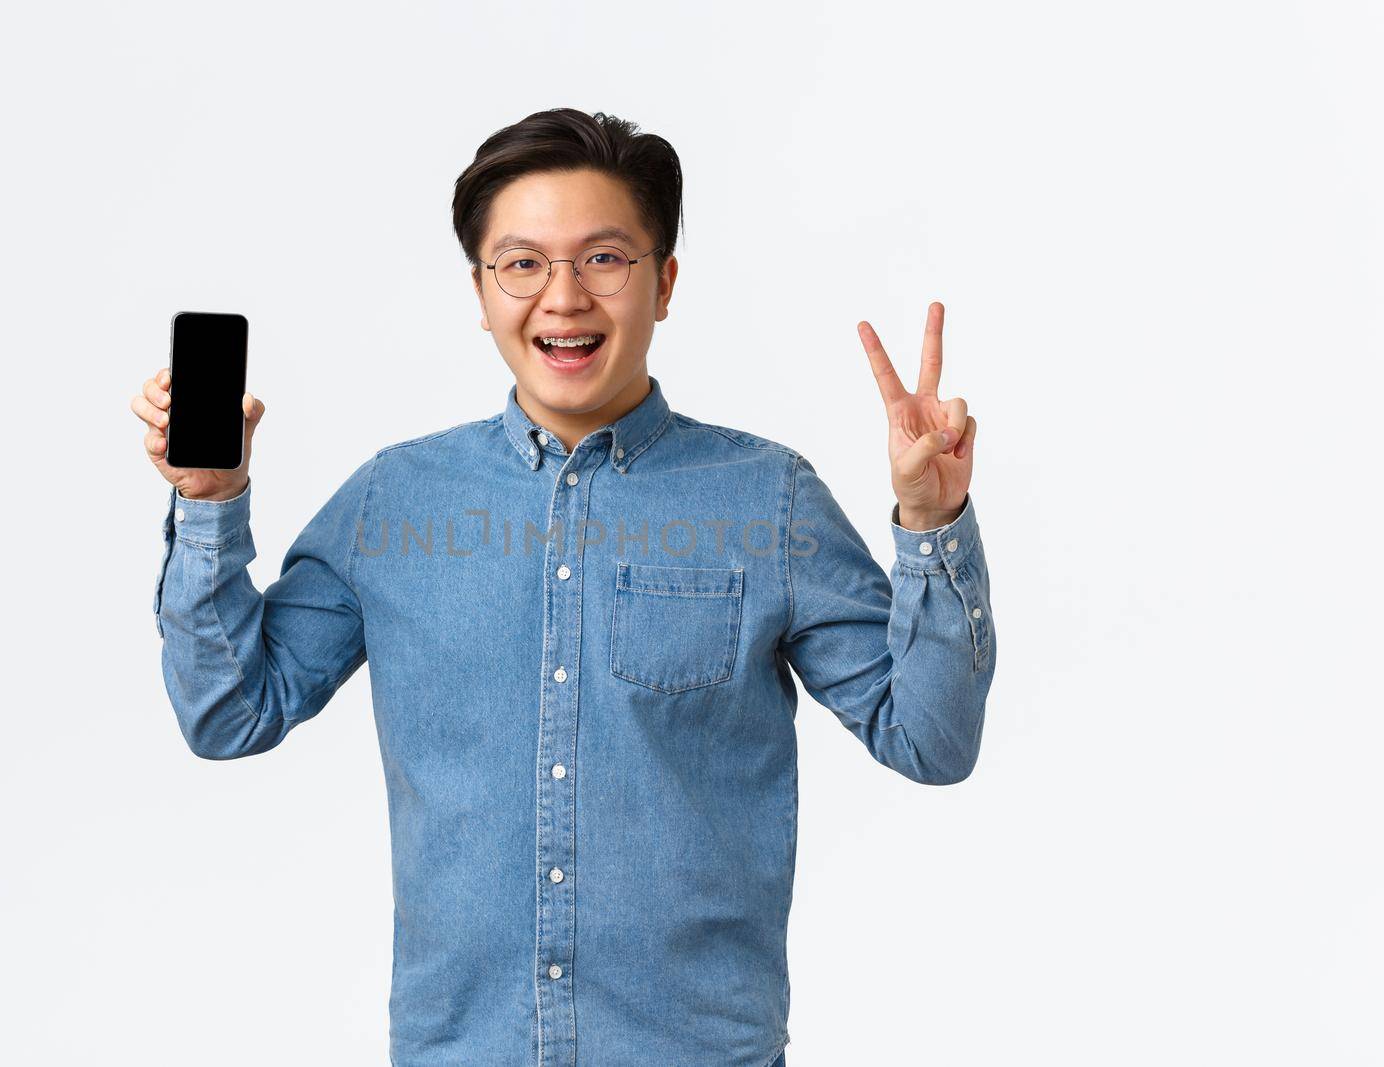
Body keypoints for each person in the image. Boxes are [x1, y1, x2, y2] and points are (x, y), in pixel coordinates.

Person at [131, 107, 994, 1067]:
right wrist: (211, 504)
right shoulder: (393, 501)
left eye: (604, 259)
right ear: (481, 289)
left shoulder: (769, 500)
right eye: (523, 262)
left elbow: (930, 738)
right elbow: (227, 714)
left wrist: (930, 523)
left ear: (664, 283)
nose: (564, 297)